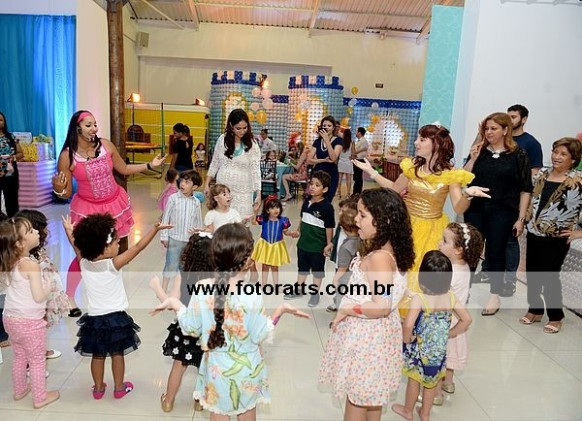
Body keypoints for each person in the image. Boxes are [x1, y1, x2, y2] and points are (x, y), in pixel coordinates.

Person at [151, 223, 310, 420]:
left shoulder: (202, 288)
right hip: (248, 371)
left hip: (216, 371)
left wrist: (176, 304)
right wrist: (280, 311)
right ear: (247, 260)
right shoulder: (252, 294)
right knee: (246, 413)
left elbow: (190, 327)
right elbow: (260, 334)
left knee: (218, 413)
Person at [51, 110, 167, 315]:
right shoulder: (67, 156)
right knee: (84, 254)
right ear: (77, 128)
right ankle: (70, 296)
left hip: (113, 205)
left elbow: (124, 169)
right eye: (88, 125)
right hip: (88, 210)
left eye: (95, 124)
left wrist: (151, 164)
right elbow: (66, 193)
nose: (94, 129)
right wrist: (58, 188)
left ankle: (107, 293)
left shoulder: (106, 145)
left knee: (111, 252)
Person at [353, 123, 489, 293]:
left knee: (419, 275)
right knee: (395, 268)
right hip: (406, 225)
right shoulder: (412, 168)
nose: (416, 142)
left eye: (422, 139)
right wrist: (372, 172)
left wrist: (467, 194)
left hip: (432, 230)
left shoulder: (450, 174)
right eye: (418, 138)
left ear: (436, 144)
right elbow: (394, 189)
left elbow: (458, 207)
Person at [320, 188, 415, 421]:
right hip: (379, 335)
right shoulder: (390, 251)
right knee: (371, 398)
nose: (355, 219)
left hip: (367, 339)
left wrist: (347, 309)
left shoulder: (379, 258)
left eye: (362, 215)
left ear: (383, 221)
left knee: (357, 400)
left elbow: (382, 305)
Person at [62, 213, 170, 400]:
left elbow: (76, 245)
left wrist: (69, 231)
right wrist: (154, 229)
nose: (118, 243)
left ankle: (98, 389)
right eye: (114, 242)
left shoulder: (84, 263)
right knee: (117, 353)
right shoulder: (112, 265)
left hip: (94, 320)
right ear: (103, 248)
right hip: (116, 320)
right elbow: (138, 247)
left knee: (97, 355)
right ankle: (119, 388)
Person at [464, 112, 533, 315]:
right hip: (476, 209)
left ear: (505, 130)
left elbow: (525, 189)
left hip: (503, 211)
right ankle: (463, 291)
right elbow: (464, 178)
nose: (489, 132)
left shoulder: (518, 154)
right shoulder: (480, 151)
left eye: (493, 128)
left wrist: (521, 219)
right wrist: (473, 158)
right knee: (470, 250)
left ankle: (494, 295)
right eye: (486, 128)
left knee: (496, 252)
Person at [392, 251, 472, 421]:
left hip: (419, 351)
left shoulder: (420, 299)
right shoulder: (451, 298)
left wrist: (406, 339)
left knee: (414, 380)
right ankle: (425, 414)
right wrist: (450, 333)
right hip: (438, 352)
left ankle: (408, 411)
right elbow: (467, 319)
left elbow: (408, 324)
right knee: (431, 383)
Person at [520, 137, 582, 334]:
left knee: (549, 277)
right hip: (534, 232)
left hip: (557, 238)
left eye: (563, 154)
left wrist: (579, 232)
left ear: (573, 159)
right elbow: (530, 198)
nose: (556, 156)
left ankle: (556, 316)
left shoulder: (577, 181)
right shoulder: (543, 174)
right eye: (555, 152)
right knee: (532, 274)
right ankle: (535, 309)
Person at [0, 217, 60, 408]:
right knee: (37, 360)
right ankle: (40, 397)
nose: (36, 232)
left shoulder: (9, 261)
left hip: (10, 319)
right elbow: (38, 296)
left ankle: (19, 391)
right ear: (19, 243)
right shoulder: (30, 265)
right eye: (30, 231)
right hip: (29, 323)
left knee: (19, 356)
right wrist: (49, 286)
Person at [151, 233, 214, 412]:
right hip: (207, 330)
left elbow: (171, 303)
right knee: (206, 366)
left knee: (179, 365)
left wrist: (157, 287)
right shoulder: (217, 278)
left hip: (185, 327)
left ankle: (168, 401)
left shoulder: (183, 274)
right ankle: (200, 402)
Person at [434, 222, 483, 403]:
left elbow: (441, 297)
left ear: (458, 250)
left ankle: (436, 394)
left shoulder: (450, 272)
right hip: (456, 321)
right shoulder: (464, 267)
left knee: (439, 358)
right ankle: (448, 382)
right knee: (450, 355)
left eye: (445, 241)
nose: (439, 243)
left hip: (445, 321)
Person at [16, 210, 70, 358]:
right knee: (34, 327)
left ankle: (38, 351)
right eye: (42, 227)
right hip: (37, 297)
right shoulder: (26, 258)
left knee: (40, 327)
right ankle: (33, 358)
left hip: (44, 295)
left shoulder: (36, 251)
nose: (46, 231)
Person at [284, 171, 335, 307]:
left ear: (325, 189)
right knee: (302, 267)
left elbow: (329, 227)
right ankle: (299, 289)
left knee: (317, 271)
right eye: (311, 183)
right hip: (303, 244)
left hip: (317, 246)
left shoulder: (327, 207)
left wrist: (329, 244)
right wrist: (298, 231)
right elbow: (303, 218)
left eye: (317, 185)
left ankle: (315, 293)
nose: (312, 187)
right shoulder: (306, 201)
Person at [204, 109, 261, 217]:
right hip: (223, 191)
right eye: (238, 128)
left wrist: (258, 194)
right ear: (231, 125)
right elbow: (215, 163)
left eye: (245, 128)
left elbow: (256, 170)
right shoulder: (222, 140)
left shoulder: (252, 144)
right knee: (222, 221)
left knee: (241, 223)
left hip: (243, 192)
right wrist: (207, 184)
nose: (242, 131)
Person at [160, 169, 204, 292]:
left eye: (187, 182)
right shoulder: (173, 198)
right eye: (182, 181)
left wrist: (198, 238)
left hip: (189, 240)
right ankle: (163, 288)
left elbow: (198, 221)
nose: (182, 184)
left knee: (185, 266)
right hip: (174, 238)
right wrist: (164, 236)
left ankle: (181, 289)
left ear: (194, 187)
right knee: (171, 264)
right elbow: (166, 217)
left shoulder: (196, 202)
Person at [251, 195, 293, 285]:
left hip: (277, 246)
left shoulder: (283, 221)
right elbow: (253, 222)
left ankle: (276, 284)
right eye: (272, 208)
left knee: (275, 267)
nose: (276, 210)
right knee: (265, 266)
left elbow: (286, 232)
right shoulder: (263, 219)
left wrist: (291, 233)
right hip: (265, 245)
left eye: (277, 207)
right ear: (267, 210)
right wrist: (255, 212)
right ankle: (263, 284)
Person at [326, 206, 360, 313]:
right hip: (357, 278)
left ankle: (340, 317)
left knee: (342, 299)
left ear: (343, 228)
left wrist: (335, 279)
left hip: (345, 279)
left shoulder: (345, 247)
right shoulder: (362, 241)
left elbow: (342, 268)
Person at [308, 116, 343, 200]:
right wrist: (323, 160)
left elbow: (333, 158)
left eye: (329, 126)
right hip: (317, 174)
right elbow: (309, 160)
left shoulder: (338, 140)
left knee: (327, 200)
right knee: (315, 199)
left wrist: (327, 140)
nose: (326, 127)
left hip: (331, 174)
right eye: (324, 125)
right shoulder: (317, 141)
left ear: (333, 127)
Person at [0, 111, 24, 217]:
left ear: (4, 122)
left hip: (10, 175)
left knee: (12, 202)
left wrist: (13, 157)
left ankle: (13, 223)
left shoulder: (11, 137)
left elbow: (21, 154)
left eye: (1, 120)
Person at [337, 128, 354, 199]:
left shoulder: (340, 141)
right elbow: (353, 153)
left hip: (341, 161)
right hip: (348, 162)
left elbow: (338, 153)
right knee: (349, 179)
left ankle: (339, 193)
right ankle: (348, 194)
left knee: (339, 178)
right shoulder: (352, 142)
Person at [352, 127, 368, 194]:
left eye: (356, 131)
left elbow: (360, 151)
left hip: (360, 160)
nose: (355, 133)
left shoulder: (363, 141)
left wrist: (354, 152)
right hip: (357, 160)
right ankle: (356, 192)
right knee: (356, 177)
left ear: (359, 133)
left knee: (358, 177)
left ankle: (357, 192)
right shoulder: (359, 141)